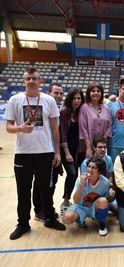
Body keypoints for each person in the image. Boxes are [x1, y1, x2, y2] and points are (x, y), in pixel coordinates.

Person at [4, 67, 65, 240]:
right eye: (28, 78)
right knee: (23, 190)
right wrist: (20, 128)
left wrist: (57, 152)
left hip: (45, 152)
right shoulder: (15, 100)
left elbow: (55, 128)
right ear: (24, 81)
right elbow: (8, 127)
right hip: (22, 153)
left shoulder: (48, 100)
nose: (31, 81)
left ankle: (50, 219)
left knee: (46, 189)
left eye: (34, 78)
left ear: (41, 81)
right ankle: (23, 223)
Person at [32, 82, 65, 221]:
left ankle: (46, 208)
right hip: (41, 153)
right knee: (41, 183)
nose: (58, 95)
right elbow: (35, 130)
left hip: (53, 152)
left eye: (61, 93)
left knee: (51, 183)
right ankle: (40, 210)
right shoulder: (40, 107)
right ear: (48, 93)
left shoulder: (57, 109)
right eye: (56, 93)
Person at [62, 157, 110, 236]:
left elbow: (106, 201)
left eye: (93, 167)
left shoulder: (105, 182)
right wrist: (81, 185)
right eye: (89, 166)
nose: (89, 169)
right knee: (67, 218)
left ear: (99, 171)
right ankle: (79, 219)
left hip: (94, 207)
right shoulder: (80, 180)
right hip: (80, 206)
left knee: (103, 201)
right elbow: (76, 201)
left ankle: (101, 224)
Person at [59, 88, 85, 215]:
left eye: (79, 98)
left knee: (77, 175)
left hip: (78, 149)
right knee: (72, 173)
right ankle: (65, 200)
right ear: (70, 99)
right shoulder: (64, 112)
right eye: (74, 98)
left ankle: (76, 201)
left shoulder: (81, 112)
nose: (77, 101)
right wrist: (67, 152)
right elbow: (62, 133)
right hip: (65, 149)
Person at [79, 81, 112, 158]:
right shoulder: (84, 107)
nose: (96, 93)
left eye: (98, 91)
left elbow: (109, 126)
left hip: (101, 148)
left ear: (101, 93)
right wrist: (89, 147)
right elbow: (83, 128)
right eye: (93, 91)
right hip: (87, 146)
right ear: (89, 93)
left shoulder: (106, 108)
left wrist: (102, 143)